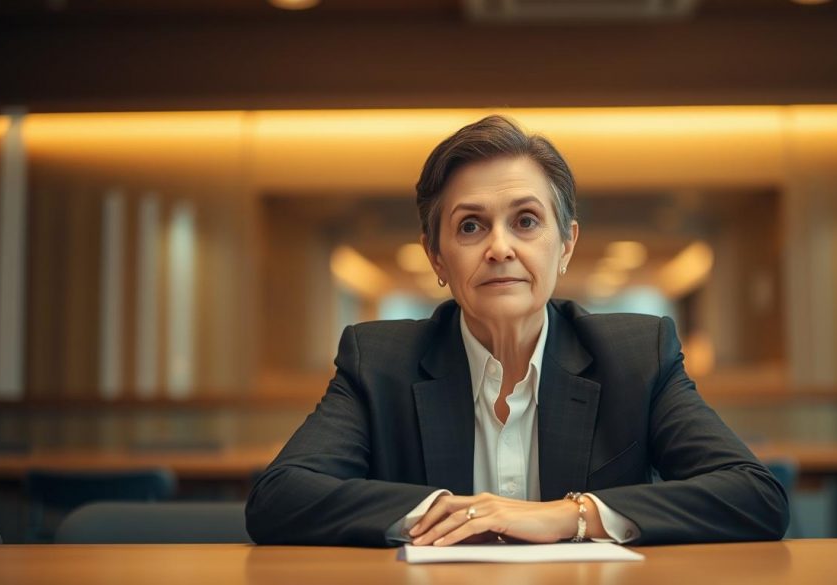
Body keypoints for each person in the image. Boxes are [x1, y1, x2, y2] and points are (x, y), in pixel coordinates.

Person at [245, 115, 789, 547]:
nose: (499, 247)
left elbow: (754, 495)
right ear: (437, 257)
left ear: (566, 245)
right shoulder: (378, 362)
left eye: (526, 221)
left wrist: (569, 516)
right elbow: (278, 498)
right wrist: (451, 515)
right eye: (471, 225)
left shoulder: (637, 356)